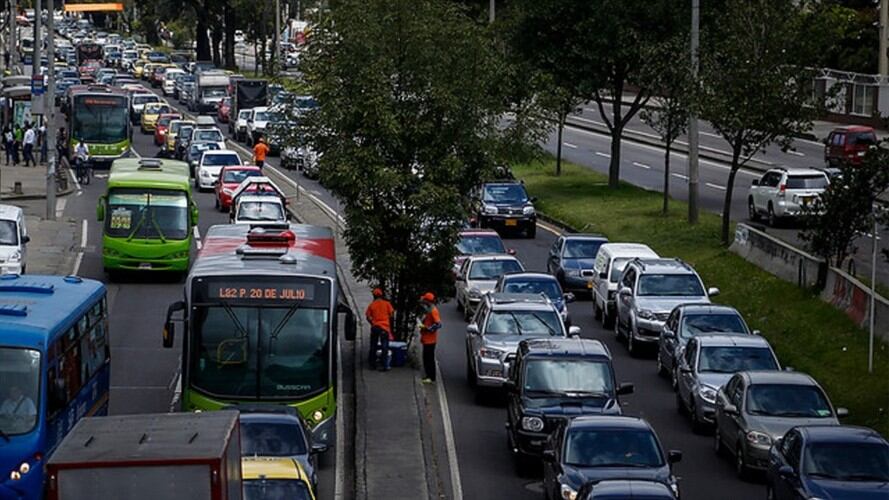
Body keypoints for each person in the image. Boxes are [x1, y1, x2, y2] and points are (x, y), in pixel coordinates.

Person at [365, 288, 395, 371]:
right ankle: (385, 365)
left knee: (373, 346)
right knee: (384, 347)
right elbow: (392, 315)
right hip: (384, 328)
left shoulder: (372, 305)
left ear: (374, 296)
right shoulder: (387, 304)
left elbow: (368, 316)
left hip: (375, 327)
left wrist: (372, 323)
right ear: (381, 295)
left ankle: (372, 364)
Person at [418, 292, 442, 384]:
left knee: (429, 359)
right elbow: (420, 302)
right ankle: (429, 376)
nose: (423, 301)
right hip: (427, 339)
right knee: (427, 358)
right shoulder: (429, 309)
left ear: (428, 301)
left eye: (425, 300)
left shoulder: (433, 311)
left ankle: (430, 377)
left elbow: (438, 324)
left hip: (430, 339)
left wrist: (427, 328)